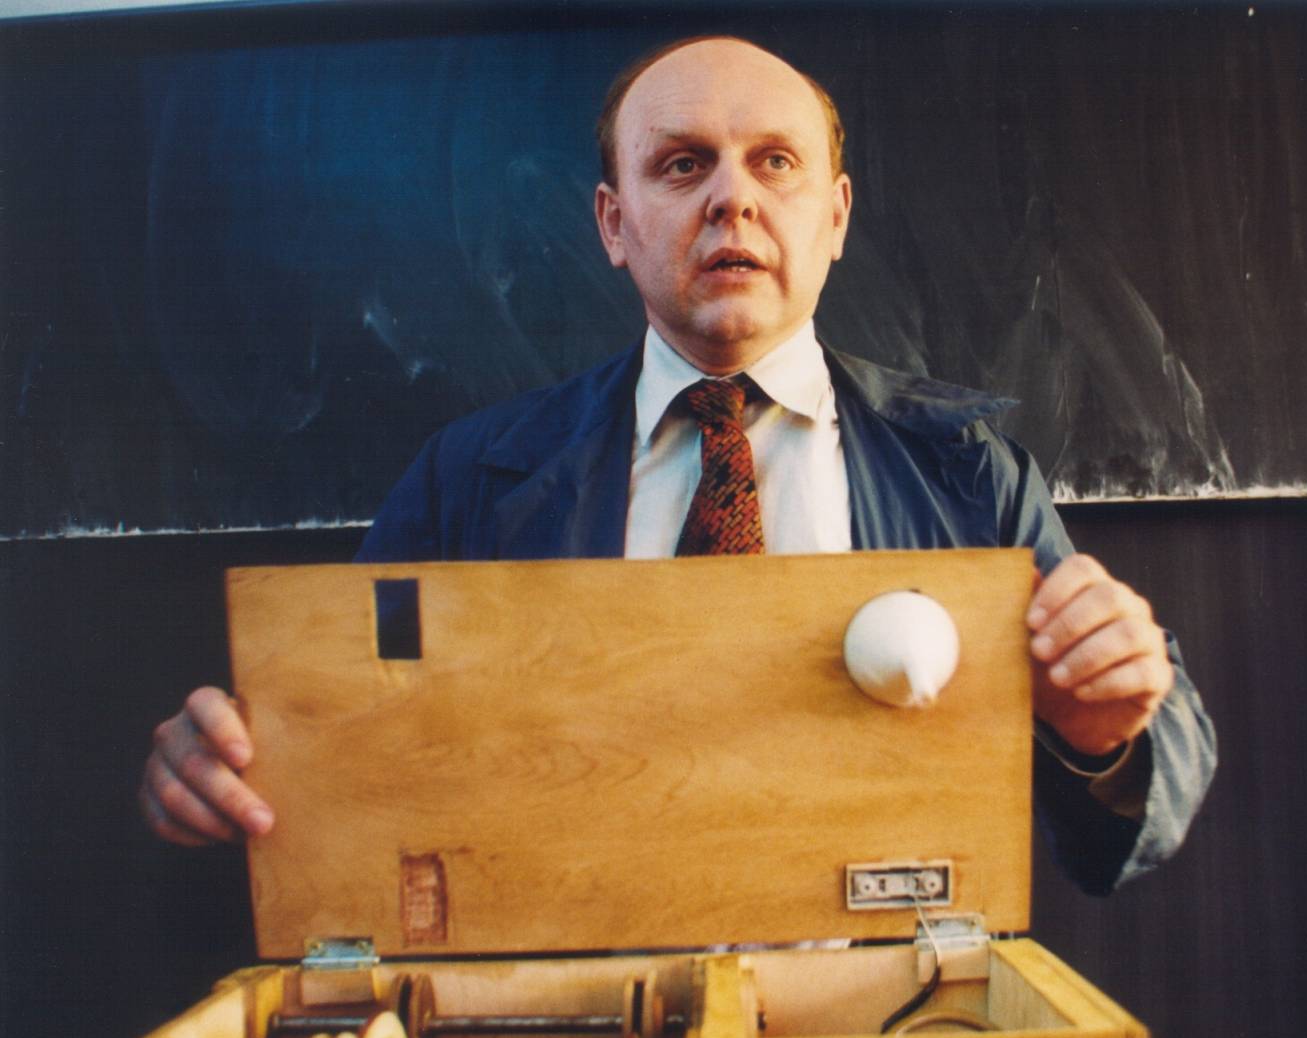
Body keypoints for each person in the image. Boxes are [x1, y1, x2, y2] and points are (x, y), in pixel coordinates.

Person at [141, 36, 1214, 894]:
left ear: (836, 218)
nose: (732, 199)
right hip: (566, 1018)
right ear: (615, 225)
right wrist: (236, 762)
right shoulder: (468, 480)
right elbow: (336, 746)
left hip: (884, 1015)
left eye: (776, 163)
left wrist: (1103, 735)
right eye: (682, 163)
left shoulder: (969, 475)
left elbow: (1140, 795)